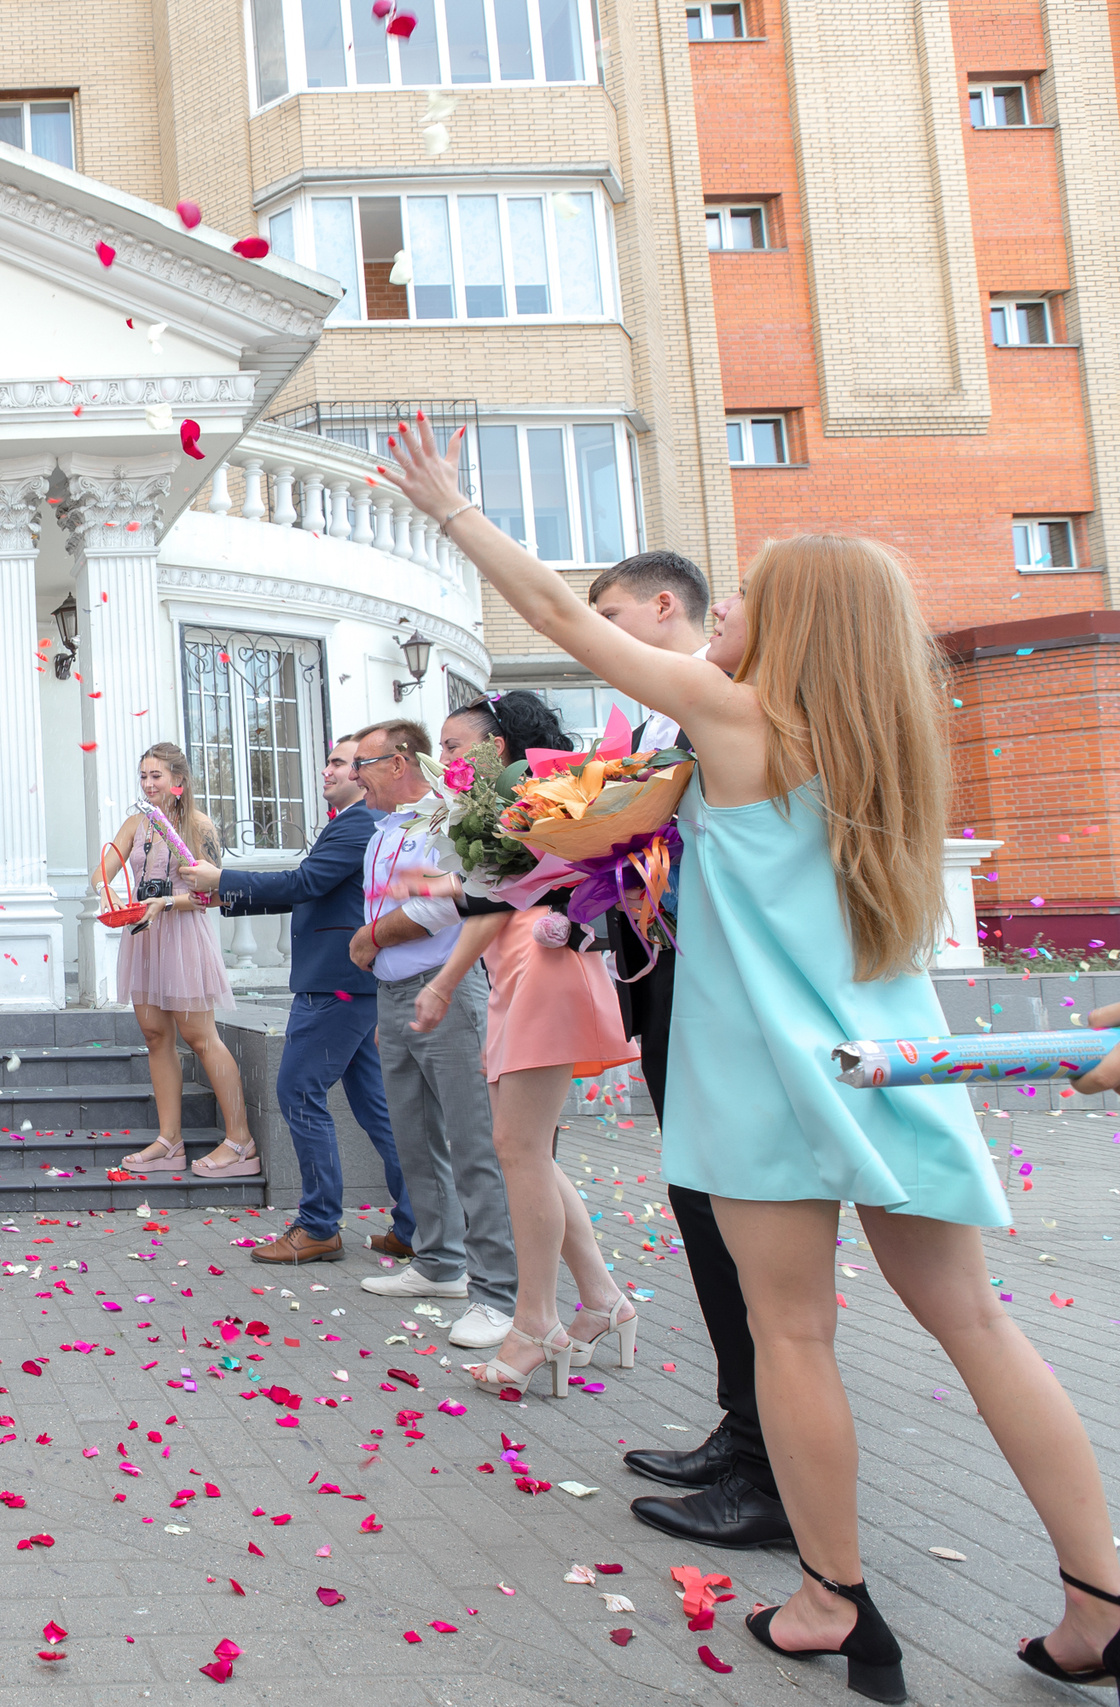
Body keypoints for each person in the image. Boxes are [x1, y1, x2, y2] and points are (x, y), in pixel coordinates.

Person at [386, 417, 1119, 1702]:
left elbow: (563, 613)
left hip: (773, 1083)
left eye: (743, 601)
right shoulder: (887, 749)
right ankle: (1098, 1596)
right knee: (980, 1327)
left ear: (789, 629)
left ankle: (836, 1601)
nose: (717, 614)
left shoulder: (734, 721)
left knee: (792, 1335)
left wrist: (452, 510)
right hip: (900, 1067)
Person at [589, 556, 790, 1546]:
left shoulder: (725, 711)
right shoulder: (665, 726)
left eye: (613, 612)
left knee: (734, 1229)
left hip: (723, 1003)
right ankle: (742, 1424)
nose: (605, 630)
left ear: (663, 607)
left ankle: (769, 1463)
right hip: (674, 987)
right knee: (699, 1212)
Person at [402, 694, 640, 1397]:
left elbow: (493, 898)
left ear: (497, 746)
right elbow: (486, 891)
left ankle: (537, 1320)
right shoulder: (523, 802)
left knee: (519, 1148)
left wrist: (443, 979)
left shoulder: (531, 799)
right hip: (524, 965)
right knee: (526, 1147)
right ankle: (600, 1299)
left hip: (540, 963)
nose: (443, 759)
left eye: (454, 745)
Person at [180, 735, 415, 1262]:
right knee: (376, 1108)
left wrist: (224, 879)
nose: (326, 770)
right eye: (328, 760)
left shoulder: (359, 823)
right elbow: (313, 890)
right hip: (347, 982)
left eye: (339, 762)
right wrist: (222, 892)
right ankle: (417, 1224)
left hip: (335, 983)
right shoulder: (355, 824)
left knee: (298, 1091)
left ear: (367, 771)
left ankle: (319, 1224)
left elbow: (305, 882)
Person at [344, 719, 515, 1353]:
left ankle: (500, 1292)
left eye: (362, 762)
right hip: (394, 992)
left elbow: (454, 901)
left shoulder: (449, 817)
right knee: (414, 1134)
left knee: (474, 1141)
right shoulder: (382, 826)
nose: (353, 773)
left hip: (447, 985)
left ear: (397, 763)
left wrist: (373, 938)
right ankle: (439, 1261)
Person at [100, 744, 257, 1180]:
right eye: (144, 777)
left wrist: (167, 902)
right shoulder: (136, 822)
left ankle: (241, 1141)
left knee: (200, 1036)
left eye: (157, 777)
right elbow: (104, 871)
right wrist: (108, 889)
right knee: (154, 1035)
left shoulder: (198, 825)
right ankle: (170, 1141)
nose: (149, 785)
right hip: (144, 936)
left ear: (178, 781)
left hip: (182, 934)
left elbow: (217, 893)